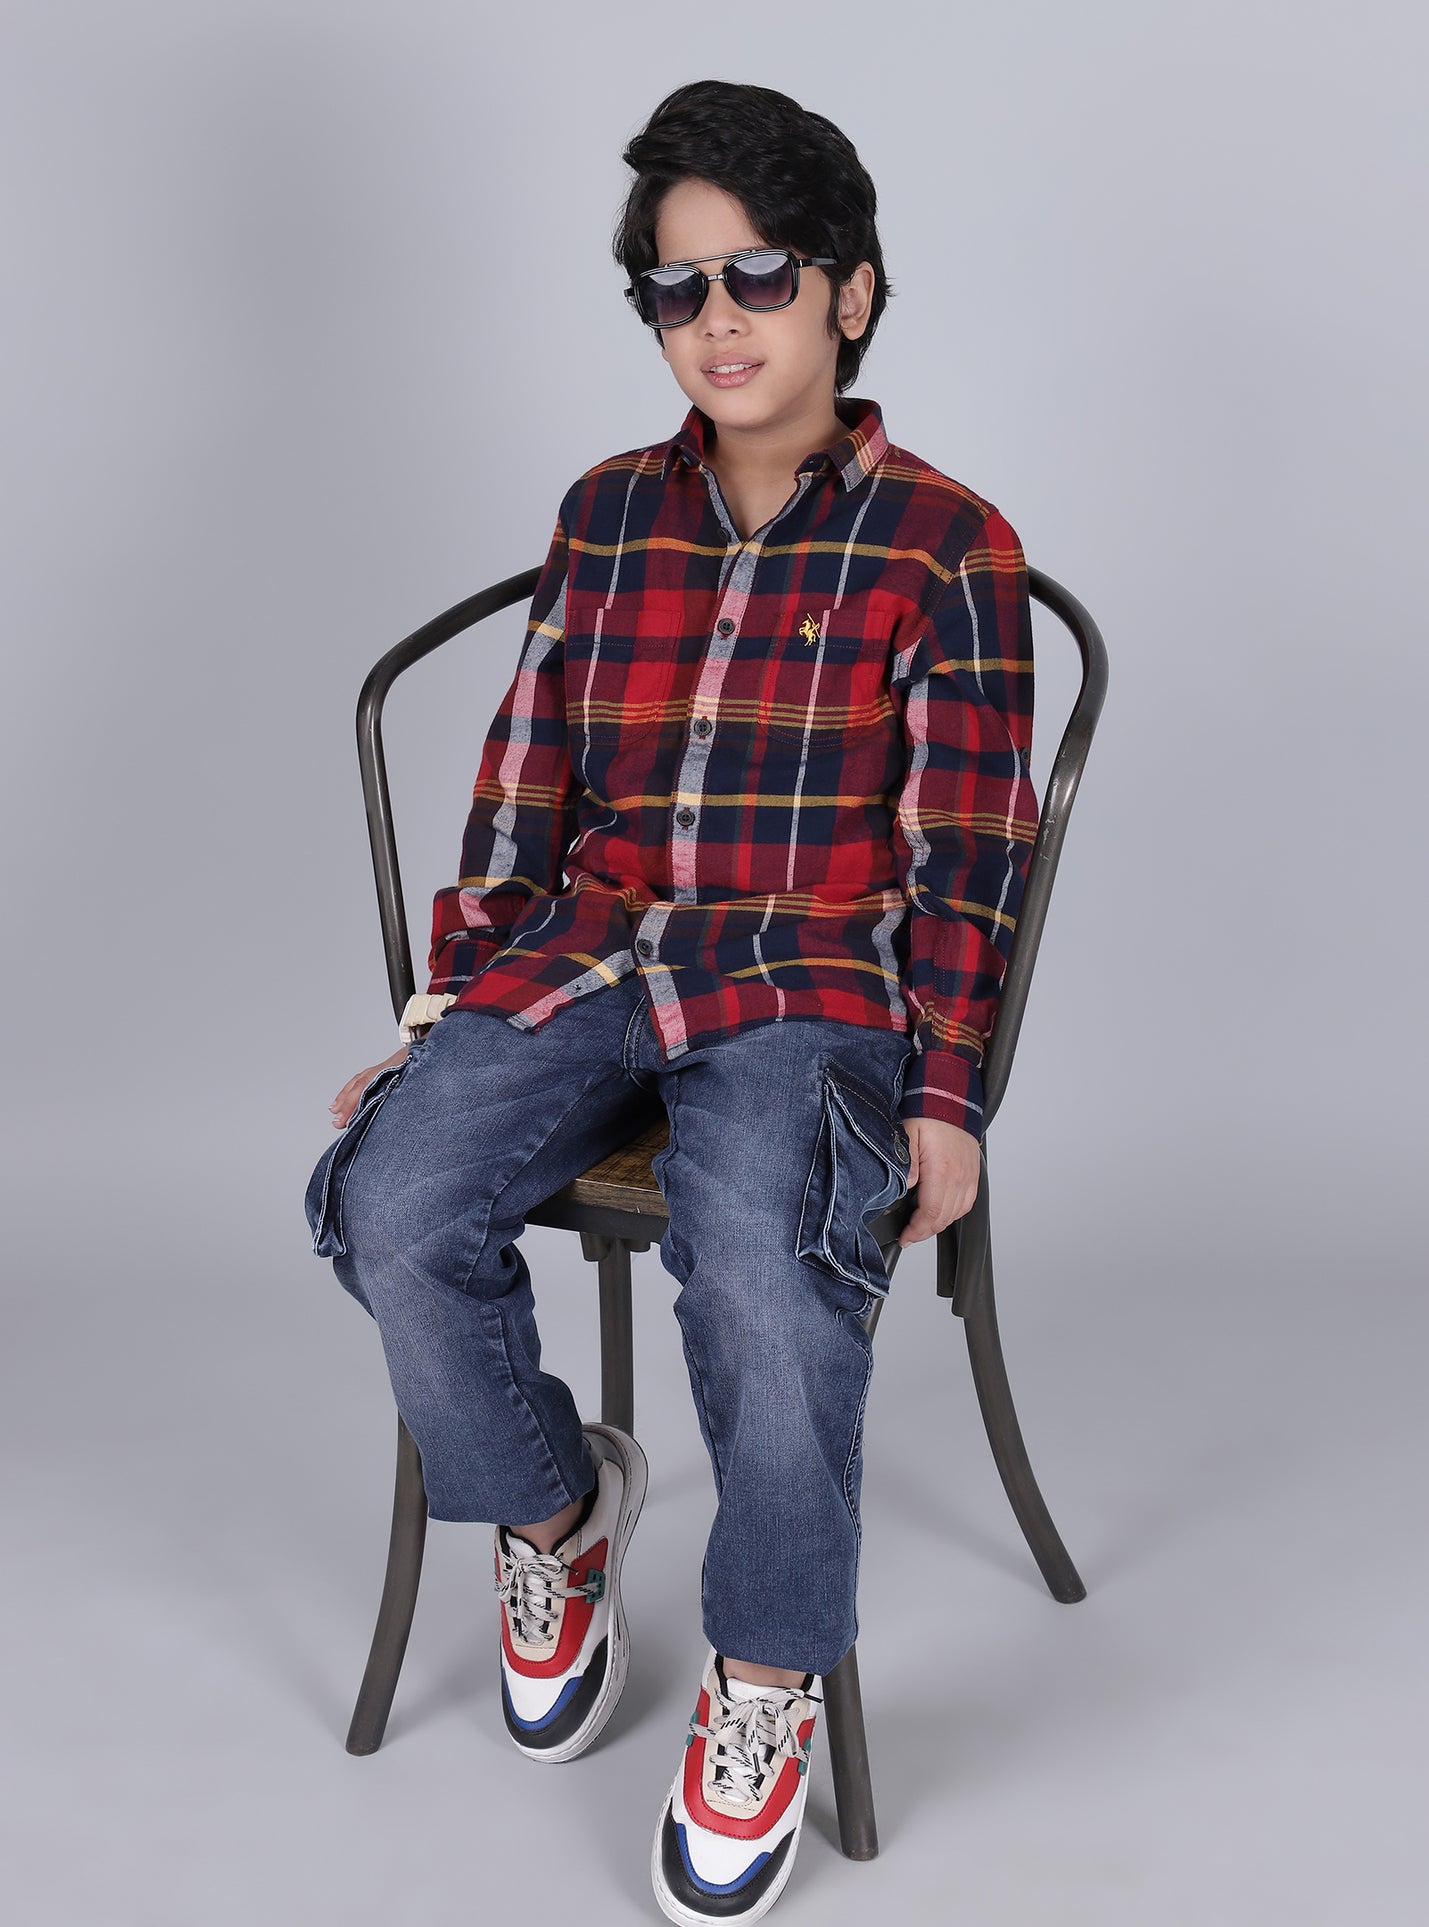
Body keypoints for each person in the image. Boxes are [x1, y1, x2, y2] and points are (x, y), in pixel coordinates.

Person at [304, 77, 1037, 1926]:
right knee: (391, 1198)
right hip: (593, 950)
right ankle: (560, 1510)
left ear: (849, 292)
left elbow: (967, 857)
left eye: (759, 276)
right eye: (675, 287)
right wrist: (447, 1011)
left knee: (764, 1279)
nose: (718, 320)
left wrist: (945, 1094)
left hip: (807, 981)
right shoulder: (607, 515)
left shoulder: (943, 545)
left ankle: (764, 1671)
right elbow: (520, 786)